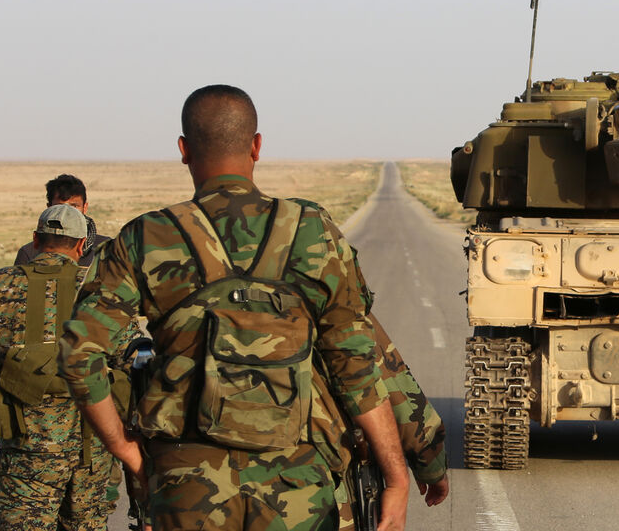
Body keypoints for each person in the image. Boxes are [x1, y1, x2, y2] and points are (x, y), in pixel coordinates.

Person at [59, 84, 412, 531]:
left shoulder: (146, 236)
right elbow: (355, 364)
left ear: (184, 150)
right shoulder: (313, 232)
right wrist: (396, 477)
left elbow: (78, 354)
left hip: (187, 484)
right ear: (257, 146)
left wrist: (128, 450)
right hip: (298, 482)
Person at [0, 204, 139, 531]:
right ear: (81, 245)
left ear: (35, 240)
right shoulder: (100, 290)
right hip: (90, 446)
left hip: (26, 447)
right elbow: (133, 358)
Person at [14, 174, 110, 268]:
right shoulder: (29, 253)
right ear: (49, 208)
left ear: (85, 207)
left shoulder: (107, 249)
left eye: (74, 206)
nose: (66, 212)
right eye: (60, 206)